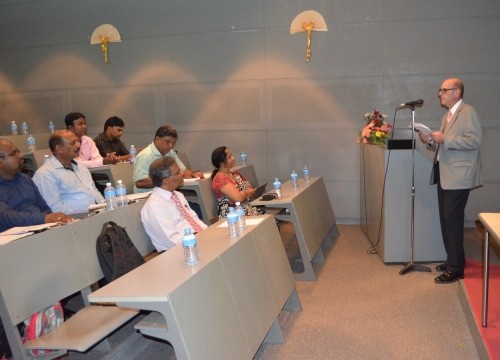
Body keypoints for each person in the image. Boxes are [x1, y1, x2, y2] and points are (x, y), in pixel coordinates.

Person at [419, 77, 482, 284]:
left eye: (443, 90)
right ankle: (452, 259)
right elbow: (444, 146)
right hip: (444, 173)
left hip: (458, 177)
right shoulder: (448, 115)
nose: (440, 94)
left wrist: (444, 139)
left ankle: (456, 269)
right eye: (440, 90)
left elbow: (474, 141)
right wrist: (430, 141)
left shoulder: (468, 112)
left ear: (457, 92)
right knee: (446, 221)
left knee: (453, 223)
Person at [0, 139, 73, 232]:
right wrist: (43, 218)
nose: (21, 156)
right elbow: (6, 216)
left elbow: (44, 207)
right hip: (15, 237)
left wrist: (52, 220)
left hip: (41, 229)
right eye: (14, 153)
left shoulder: (25, 179)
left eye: (18, 151)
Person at [141, 157, 207, 252]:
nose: (182, 174)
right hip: (180, 250)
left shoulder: (178, 195)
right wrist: (200, 241)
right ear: (166, 180)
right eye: (178, 173)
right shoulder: (154, 206)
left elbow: (194, 219)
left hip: (196, 239)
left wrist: (207, 232)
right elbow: (171, 241)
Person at [33, 130, 105, 214]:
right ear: (59, 149)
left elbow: (94, 191)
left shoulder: (80, 166)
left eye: (77, 141)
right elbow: (54, 208)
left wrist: (105, 205)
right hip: (75, 220)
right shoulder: (46, 173)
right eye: (73, 143)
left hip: (99, 213)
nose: (78, 145)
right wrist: (83, 216)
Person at [133, 124, 204, 193]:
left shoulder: (170, 152)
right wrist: (167, 180)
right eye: (167, 142)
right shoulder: (145, 155)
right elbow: (139, 182)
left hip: (166, 194)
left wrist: (194, 175)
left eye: (173, 143)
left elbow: (183, 170)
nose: (170, 146)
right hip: (146, 197)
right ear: (157, 139)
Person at [211, 146, 263, 218]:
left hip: (247, 209)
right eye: (229, 157)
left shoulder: (235, 174)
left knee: (270, 217)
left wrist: (243, 194)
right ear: (221, 163)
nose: (233, 158)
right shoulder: (220, 178)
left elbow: (251, 190)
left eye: (231, 155)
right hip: (232, 214)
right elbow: (239, 199)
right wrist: (245, 193)